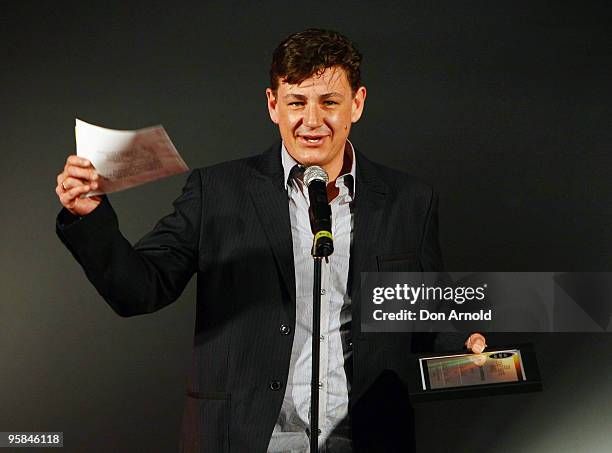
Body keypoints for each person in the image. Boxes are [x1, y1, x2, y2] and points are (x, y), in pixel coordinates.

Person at [55, 29, 486, 453]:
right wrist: (90, 217)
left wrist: (465, 342)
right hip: (243, 437)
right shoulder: (217, 191)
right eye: (296, 102)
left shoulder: (409, 200)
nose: (312, 121)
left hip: (367, 437)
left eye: (329, 102)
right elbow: (139, 291)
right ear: (272, 104)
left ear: (357, 104)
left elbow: (426, 313)